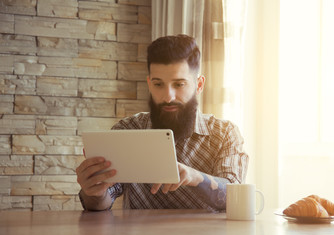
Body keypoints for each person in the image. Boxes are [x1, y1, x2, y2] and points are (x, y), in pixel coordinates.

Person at [76, 34, 249, 212]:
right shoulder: (127, 130)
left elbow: (235, 198)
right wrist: (94, 192)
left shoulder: (225, 133)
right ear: (149, 84)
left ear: (199, 85)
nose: (168, 97)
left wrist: (195, 177)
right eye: (159, 85)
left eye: (179, 84)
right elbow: (104, 200)